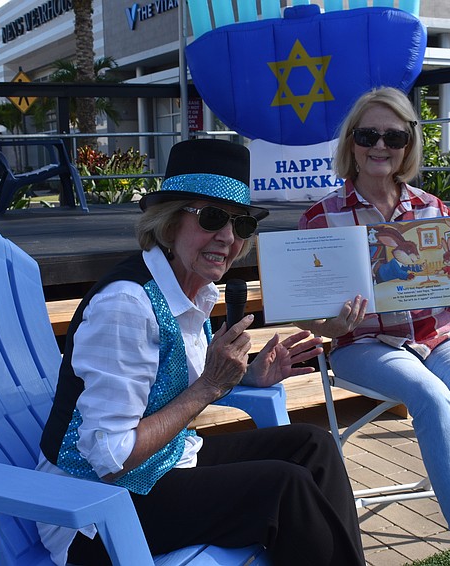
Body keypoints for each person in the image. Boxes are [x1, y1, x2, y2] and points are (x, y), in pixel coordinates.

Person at [37, 138, 367, 566]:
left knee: (314, 446)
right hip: (94, 512)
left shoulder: (192, 290)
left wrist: (244, 377)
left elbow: (170, 385)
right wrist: (210, 386)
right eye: (212, 218)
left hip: (162, 465)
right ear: (171, 223)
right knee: (284, 488)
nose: (228, 238)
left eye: (241, 224)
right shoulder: (127, 307)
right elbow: (110, 458)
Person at [297, 87, 450, 566]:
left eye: (392, 135)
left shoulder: (433, 208)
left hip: (439, 333)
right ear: (350, 142)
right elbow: (314, 319)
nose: (380, 145)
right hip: (365, 343)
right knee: (432, 398)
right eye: (368, 134)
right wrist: (331, 325)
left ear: (408, 143)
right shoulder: (320, 218)